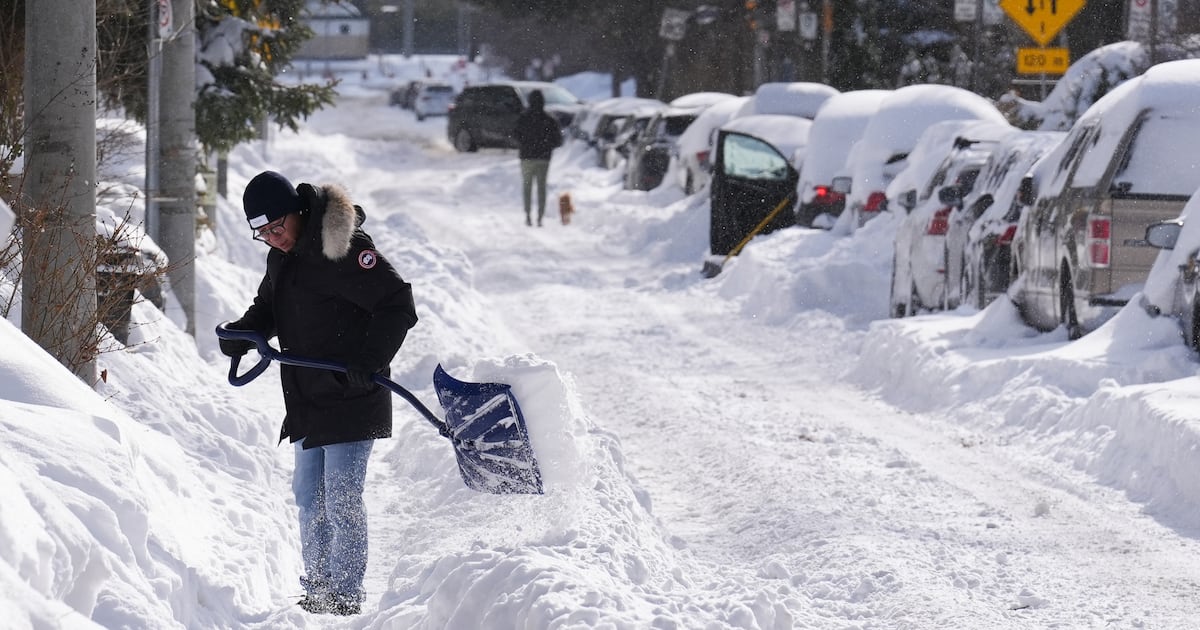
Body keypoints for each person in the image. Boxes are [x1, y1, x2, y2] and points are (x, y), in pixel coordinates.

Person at [218, 170, 418, 616]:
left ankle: (344, 595)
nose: (273, 238)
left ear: (297, 213)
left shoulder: (343, 247)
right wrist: (243, 332)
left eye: (277, 227)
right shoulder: (281, 257)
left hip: (351, 392)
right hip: (307, 396)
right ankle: (319, 589)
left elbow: (398, 304)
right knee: (310, 495)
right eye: (263, 233)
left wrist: (369, 361)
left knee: (342, 497)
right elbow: (269, 307)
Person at [513, 89, 563, 227]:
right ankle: (540, 217)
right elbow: (558, 140)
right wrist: (546, 145)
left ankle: (528, 215)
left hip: (526, 157)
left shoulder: (523, 118)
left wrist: (526, 143)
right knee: (541, 187)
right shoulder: (550, 120)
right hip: (544, 158)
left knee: (527, 186)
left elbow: (515, 135)